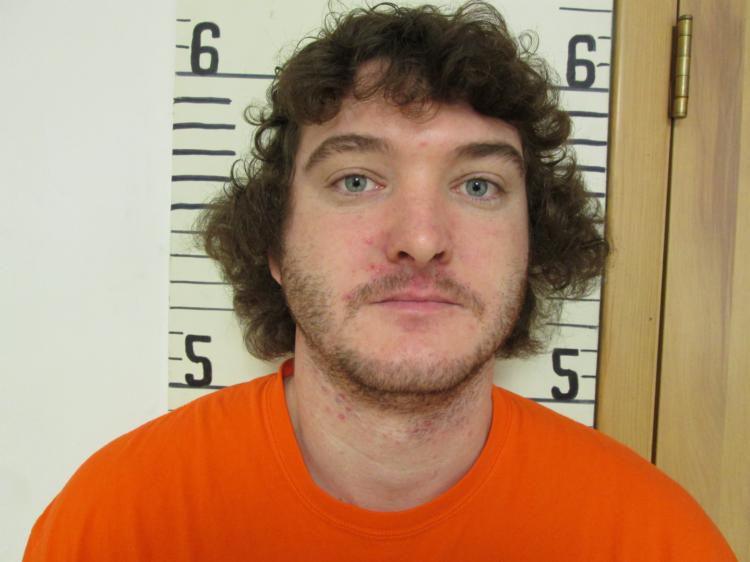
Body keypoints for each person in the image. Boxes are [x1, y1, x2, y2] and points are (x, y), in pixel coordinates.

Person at [24, 2, 737, 560]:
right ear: (275, 242)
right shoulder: (116, 525)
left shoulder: (657, 540)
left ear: (533, 245)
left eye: (479, 185)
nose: (421, 240)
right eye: (357, 180)